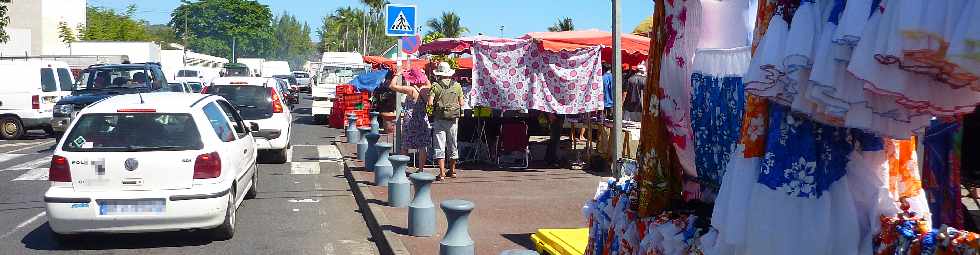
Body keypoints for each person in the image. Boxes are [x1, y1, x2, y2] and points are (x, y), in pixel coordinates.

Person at [387, 65, 432, 174]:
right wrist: (423, 74)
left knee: (406, 145)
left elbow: (392, 86)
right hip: (423, 119)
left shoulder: (411, 90)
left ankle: (402, 169)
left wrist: (398, 73)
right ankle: (421, 169)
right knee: (423, 145)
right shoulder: (427, 88)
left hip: (411, 119)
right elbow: (427, 82)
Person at [428, 62, 464, 180]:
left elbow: (430, 102)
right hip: (453, 119)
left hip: (439, 118)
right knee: (453, 143)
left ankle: (442, 173)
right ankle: (453, 171)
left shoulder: (435, 86)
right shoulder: (457, 85)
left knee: (440, 145)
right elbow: (461, 103)